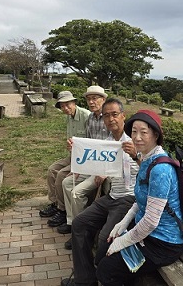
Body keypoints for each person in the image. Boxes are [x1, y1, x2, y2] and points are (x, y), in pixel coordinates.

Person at [96, 110, 183, 286]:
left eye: (143, 132)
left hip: (164, 242)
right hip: (147, 232)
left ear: (155, 135)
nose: (137, 137)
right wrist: (123, 223)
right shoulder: (147, 159)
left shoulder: (160, 169)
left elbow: (152, 221)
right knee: (101, 255)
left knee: (106, 271)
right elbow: (141, 199)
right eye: (134, 132)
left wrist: (123, 240)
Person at [60, 98, 140, 286]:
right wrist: (76, 150)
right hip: (112, 197)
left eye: (114, 114)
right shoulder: (107, 143)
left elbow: (153, 169)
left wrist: (136, 155)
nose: (111, 119)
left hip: (131, 200)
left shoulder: (136, 141)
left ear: (123, 116)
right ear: (103, 119)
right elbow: (91, 160)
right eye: (106, 116)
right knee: (79, 224)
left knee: (106, 237)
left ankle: (105, 275)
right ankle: (85, 279)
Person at [51, 85, 110, 239]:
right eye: (89, 99)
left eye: (95, 98)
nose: (91, 102)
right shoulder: (91, 118)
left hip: (104, 167)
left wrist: (103, 170)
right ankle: (72, 223)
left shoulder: (109, 117)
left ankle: (81, 229)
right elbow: (87, 145)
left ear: (103, 99)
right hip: (90, 163)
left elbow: (115, 148)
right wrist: (78, 166)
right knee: (67, 182)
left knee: (76, 191)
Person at [39, 91, 91, 226]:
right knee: (52, 170)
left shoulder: (86, 116)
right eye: (62, 106)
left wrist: (78, 165)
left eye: (68, 104)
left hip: (84, 159)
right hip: (73, 155)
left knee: (61, 175)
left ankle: (62, 211)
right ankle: (55, 203)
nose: (65, 108)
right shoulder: (69, 117)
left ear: (74, 103)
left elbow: (91, 143)